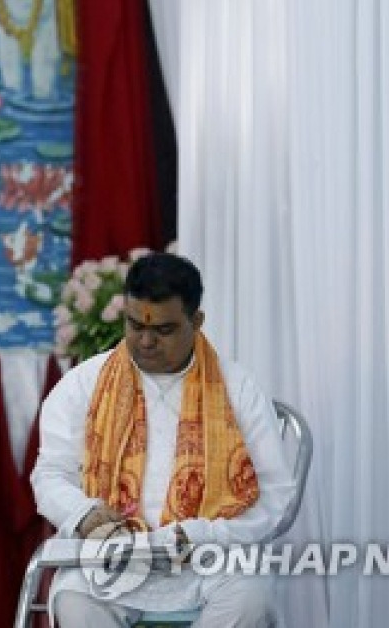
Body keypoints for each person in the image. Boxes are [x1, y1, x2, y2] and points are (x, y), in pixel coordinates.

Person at [31, 253, 295, 627]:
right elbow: (50, 474)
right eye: (135, 325)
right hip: (111, 554)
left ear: (196, 322)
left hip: (205, 556)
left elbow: (274, 492)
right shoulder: (83, 385)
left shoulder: (238, 389)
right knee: (74, 603)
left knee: (249, 597)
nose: (146, 341)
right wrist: (84, 514)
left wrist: (207, 533)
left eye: (164, 330)